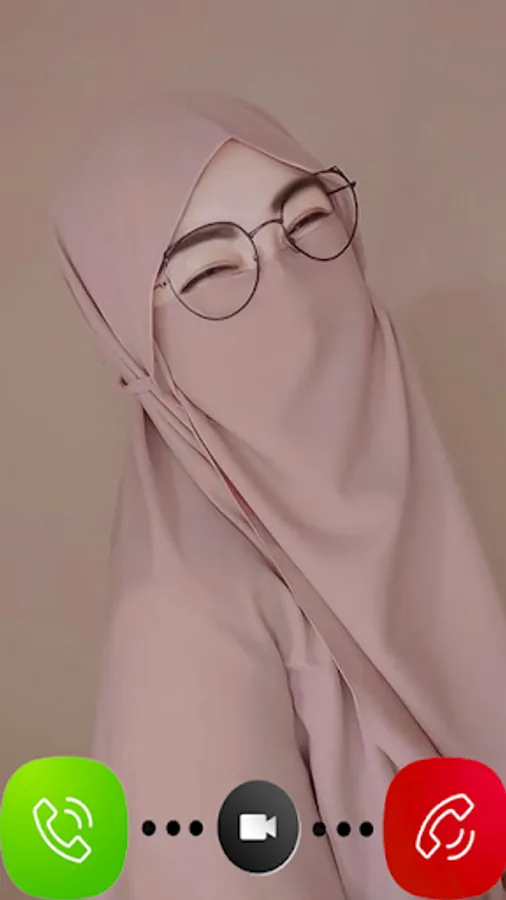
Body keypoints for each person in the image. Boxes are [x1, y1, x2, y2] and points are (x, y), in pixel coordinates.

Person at [54, 92, 506, 899]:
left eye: (308, 220)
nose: (293, 287)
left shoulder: (410, 508)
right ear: (136, 347)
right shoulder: (188, 625)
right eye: (209, 270)